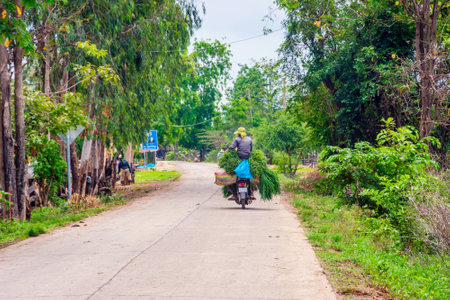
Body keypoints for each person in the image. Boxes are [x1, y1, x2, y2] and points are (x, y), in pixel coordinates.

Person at [227, 127, 255, 201]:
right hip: (247, 157)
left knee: (233, 174)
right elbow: (251, 149)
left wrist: (228, 149)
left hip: (240, 157)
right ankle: (251, 193)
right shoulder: (249, 139)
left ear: (238, 133)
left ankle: (233, 193)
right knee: (249, 179)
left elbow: (233, 147)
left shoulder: (237, 139)